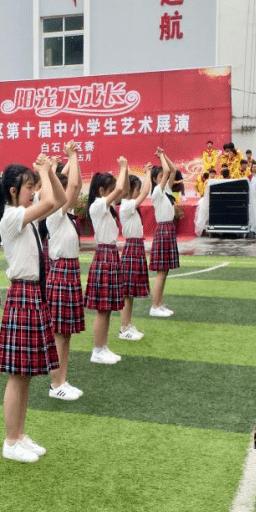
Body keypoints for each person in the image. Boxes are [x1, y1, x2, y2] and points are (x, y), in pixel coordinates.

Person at [0, 156, 63, 463]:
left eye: (34, 186)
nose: (34, 191)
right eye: (29, 186)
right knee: (18, 375)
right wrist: (46, 171)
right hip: (23, 294)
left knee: (26, 373)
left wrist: (49, 174)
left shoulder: (21, 215)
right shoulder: (11, 216)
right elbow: (51, 203)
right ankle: (10, 439)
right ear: (13, 190)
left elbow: (56, 200)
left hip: (31, 294)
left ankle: (18, 435)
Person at [44, 141, 85, 401]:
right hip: (61, 272)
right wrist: (73, 156)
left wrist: (64, 162)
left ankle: (62, 380)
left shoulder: (63, 213)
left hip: (67, 271)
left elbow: (73, 184)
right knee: (60, 331)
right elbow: (74, 185)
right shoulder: (54, 211)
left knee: (66, 332)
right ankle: (56, 383)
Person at [84, 161, 128, 365]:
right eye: (109, 191)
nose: (114, 194)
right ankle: (97, 349)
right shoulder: (97, 206)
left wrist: (124, 170)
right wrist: (123, 165)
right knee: (103, 308)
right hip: (105, 255)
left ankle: (103, 347)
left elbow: (124, 188)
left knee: (108, 307)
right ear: (101, 190)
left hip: (110, 255)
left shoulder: (107, 206)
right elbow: (120, 188)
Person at [118, 164, 152, 340]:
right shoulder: (127, 205)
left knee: (130, 293)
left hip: (135, 248)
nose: (139, 193)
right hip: (132, 248)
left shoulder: (129, 205)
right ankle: (124, 328)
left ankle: (128, 325)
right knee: (127, 293)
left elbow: (144, 192)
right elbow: (146, 192)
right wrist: (147, 173)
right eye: (137, 189)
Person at [149, 148, 179, 317]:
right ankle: (154, 306)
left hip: (168, 229)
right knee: (161, 270)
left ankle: (159, 303)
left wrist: (164, 155)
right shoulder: (157, 192)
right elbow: (167, 170)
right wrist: (160, 155)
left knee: (165, 269)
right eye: (160, 177)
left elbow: (172, 170)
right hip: (163, 229)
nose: (165, 178)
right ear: (155, 179)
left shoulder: (166, 190)